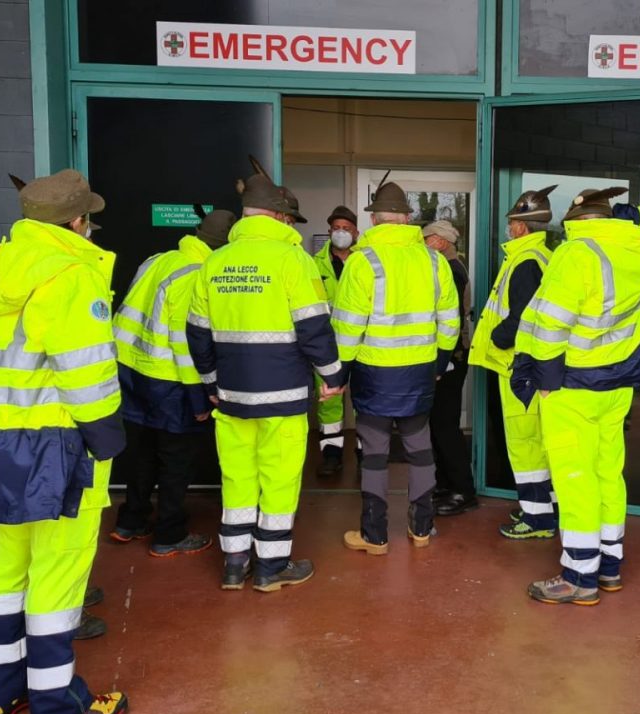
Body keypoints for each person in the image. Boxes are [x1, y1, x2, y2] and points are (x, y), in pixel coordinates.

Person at [0, 169, 129, 714]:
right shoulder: (73, 274)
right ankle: (56, 703)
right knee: (58, 572)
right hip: (58, 449)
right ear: (78, 221)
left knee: (2, 568)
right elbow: (85, 372)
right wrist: (107, 438)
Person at [186, 159, 346, 592]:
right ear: (279, 215)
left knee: (237, 477)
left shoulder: (215, 263)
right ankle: (272, 567)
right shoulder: (293, 260)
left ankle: (234, 563)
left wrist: (209, 384)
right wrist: (332, 374)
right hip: (283, 394)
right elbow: (314, 326)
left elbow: (197, 334)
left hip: (232, 396)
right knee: (278, 477)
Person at [512, 188, 640, 606]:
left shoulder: (575, 255)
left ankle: (580, 576)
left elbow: (549, 323)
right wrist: (637, 214)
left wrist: (542, 374)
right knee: (606, 475)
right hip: (616, 385)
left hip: (572, 387)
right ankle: (610, 566)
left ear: (578, 222)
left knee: (574, 479)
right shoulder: (636, 248)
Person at [332, 178, 459, 554]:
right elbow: (450, 322)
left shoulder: (362, 262)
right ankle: (421, 528)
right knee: (420, 448)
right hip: (420, 371)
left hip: (374, 373)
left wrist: (340, 373)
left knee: (374, 454)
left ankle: (375, 536)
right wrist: (438, 363)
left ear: (374, 222)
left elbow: (347, 328)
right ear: (407, 220)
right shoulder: (435, 261)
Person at [109, 207, 236, 556]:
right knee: (175, 460)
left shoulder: (158, 260)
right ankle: (169, 534)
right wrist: (199, 399)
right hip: (168, 380)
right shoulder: (196, 275)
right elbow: (184, 343)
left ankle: (131, 522)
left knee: (142, 452)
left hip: (131, 372)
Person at [468, 186, 558, 538]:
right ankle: (546, 511)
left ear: (522, 226)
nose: (508, 227)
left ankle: (538, 519)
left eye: (511, 222)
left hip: (517, 368)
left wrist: (496, 337)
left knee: (526, 445)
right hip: (528, 367)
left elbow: (521, 317)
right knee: (536, 442)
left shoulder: (526, 262)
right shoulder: (539, 258)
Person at [422, 220, 477, 515]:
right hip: (448, 358)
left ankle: (462, 491)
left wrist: (442, 362)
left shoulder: (451, 271)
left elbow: (450, 320)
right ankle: (445, 484)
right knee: (437, 425)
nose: (422, 244)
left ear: (441, 242)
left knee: (445, 426)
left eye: (426, 239)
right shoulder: (450, 267)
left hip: (451, 359)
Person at [312, 205, 361, 475]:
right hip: (327, 346)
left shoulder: (364, 260)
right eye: (337, 228)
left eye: (347, 228)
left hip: (362, 344)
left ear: (356, 232)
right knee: (328, 402)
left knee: (364, 401)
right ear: (329, 231)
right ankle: (332, 457)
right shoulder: (313, 263)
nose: (341, 232)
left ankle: (366, 454)